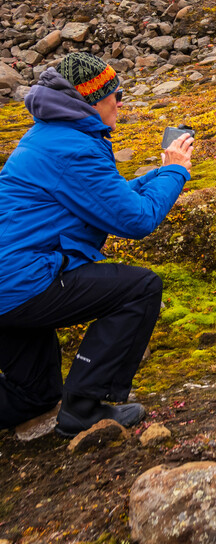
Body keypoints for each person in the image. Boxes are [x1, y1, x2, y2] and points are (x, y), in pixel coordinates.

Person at [0, 52, 193, 437]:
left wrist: (159, 175)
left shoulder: (53, 135)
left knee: (35, 395)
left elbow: (107, 198)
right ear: (90, 100)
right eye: (116, 95)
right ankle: (84, 406)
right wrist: (175, 171)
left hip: (9, 286)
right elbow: (136, 220)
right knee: (140, 289)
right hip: (23, 284)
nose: (121, 103)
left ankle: (59, 402)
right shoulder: (74, 148)